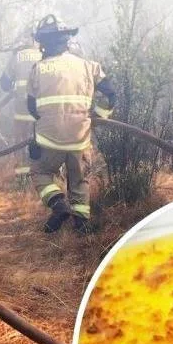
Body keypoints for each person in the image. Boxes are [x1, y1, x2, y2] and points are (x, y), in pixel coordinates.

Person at [26, 14, 117, 233]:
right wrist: (97, 118)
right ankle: (81, 224)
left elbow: (32, 108)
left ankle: (58, 204)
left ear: (43, 43)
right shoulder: (88, 66)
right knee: (79, 180)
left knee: (40, 171)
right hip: (80, 137)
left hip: (49, 138)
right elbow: (111, 94)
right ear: (66, 40)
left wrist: (43, 128)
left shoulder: (38, 69)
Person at [0, 38, 43, 187]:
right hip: (40, 110)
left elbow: (4, 83)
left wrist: (13, 86)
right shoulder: (43, 53)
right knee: (43, 142)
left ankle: (22, 180)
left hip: (21, 111)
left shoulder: (17, 57)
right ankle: (42, 177)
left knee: (20, 143)